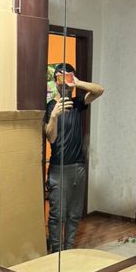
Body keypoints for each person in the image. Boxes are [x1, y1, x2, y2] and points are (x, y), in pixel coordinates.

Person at [44, 63, 104, 251]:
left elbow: (99, 90)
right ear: (55, 81)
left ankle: (69, 251)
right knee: (57, 216)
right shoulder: (50, 107)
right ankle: (56, 252)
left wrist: (77, 82)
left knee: (74, 215)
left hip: (78, 168)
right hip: (59, 170)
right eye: (61, 78)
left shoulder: (77, 103)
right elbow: (51, 138)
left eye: (68, 77)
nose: (64, 82)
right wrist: (54, 116)